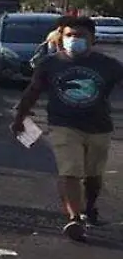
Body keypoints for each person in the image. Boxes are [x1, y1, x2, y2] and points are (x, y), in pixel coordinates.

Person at [11, 16, 123, 241]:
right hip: (63, 125)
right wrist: (19, 115)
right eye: (69, 35)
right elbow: (33, 90)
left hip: (99, 127)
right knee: (69, 171)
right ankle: (75, 218)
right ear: (61, 38)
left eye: (80, 36)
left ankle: (90, 207)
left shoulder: (108, 65)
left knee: (93, 176)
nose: (74, 40)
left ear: (93, 38)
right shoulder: (51, 64)